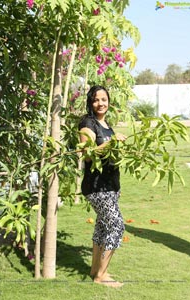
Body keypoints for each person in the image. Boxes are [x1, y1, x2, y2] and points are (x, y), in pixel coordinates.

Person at [79, 85, 126, 288]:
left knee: (102, 228)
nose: (101, 103)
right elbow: (87, 154)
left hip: (110, 186)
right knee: (116, 226)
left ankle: (95, 270)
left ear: (109, 101)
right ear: (90, 102)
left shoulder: (106, 125)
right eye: (96, 100)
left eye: (104, 99)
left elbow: (110, 155)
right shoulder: (87, 123)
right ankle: (101, 276)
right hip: (97, 186)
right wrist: (111, 143)